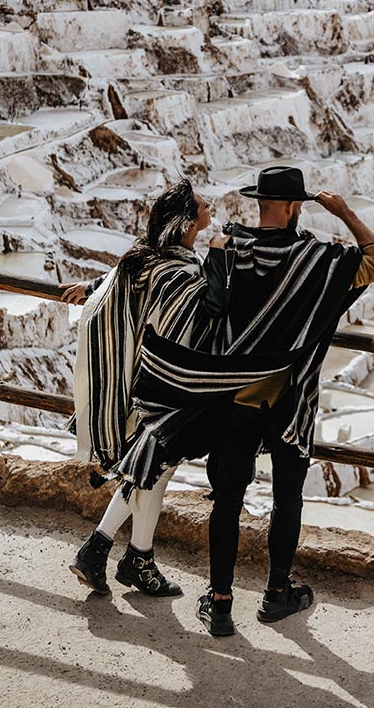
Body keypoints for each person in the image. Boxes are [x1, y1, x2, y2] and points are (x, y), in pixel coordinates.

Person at [196, 165, 374, 636]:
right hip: (289, 398)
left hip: (232, 396)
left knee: (227, 500)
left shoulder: (229, 248)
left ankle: (221, 603)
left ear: (259, 204)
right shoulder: (317, 260)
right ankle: (276, 593)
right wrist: (343, 211)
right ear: (293, 207)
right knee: (287, 498)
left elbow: (208, 309)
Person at [65, 179, 219, 598]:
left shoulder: (151, 256)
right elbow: (206, 314)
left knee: (153, 470)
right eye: (205, 205)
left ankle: (137, 558)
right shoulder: (182, 272)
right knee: (150, 468)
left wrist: (92, 288)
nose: (211, 209)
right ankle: (100, 549)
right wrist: (222, 261)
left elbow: (119, 278)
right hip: (164, 383)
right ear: (189, 221)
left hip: (137, 377)